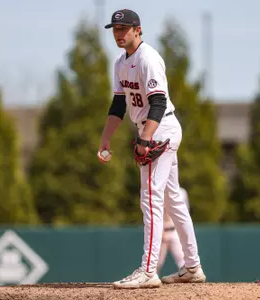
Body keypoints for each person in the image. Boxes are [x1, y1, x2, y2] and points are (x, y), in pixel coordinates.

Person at [97, 8, 206, 289]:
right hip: (155, 129)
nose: (119, 34)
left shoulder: (149, 58)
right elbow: (119, 105)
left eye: (124, 29)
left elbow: (158, 101)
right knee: (173, 200)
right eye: (115, 30)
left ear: (138, 30)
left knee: (150, 199)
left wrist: (145, 139)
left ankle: (148, 270)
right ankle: (192, 266)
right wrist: (105, 138)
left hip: (159, 129)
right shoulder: (120, 63)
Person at [157, 187, 189, 274]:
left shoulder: (181, 192)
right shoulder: (158, 189)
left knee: (182, 260)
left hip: (175, 230)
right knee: (156, 262)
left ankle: (188, 282)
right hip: (161, 230)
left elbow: (185, 212)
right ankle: (150, 280)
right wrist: (161, 230)